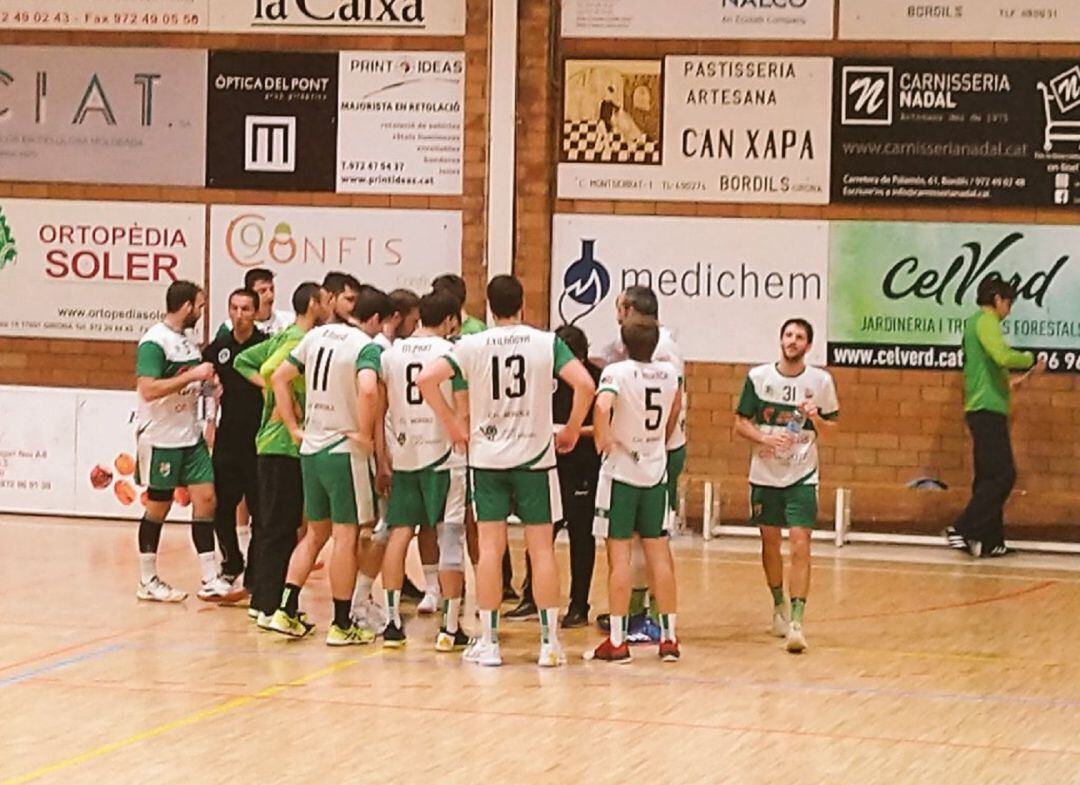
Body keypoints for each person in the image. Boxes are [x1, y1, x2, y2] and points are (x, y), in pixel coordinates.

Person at [418, 275, 596, 667]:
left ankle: (491, 643)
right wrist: (570, 430)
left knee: (491, 550)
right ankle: (550, 644)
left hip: (488, 458)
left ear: (487, 305)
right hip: (535, 457)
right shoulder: (546, 342)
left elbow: (426, 379)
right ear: (523, 304)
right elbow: (585, 384)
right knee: (542, 549)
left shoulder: (471, 343)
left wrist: (451, 423)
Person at [267, 284, 386, 646]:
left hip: (312, 448)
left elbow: (278, 377)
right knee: (346, 537)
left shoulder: (316, 337)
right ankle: (340, 622)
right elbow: (368, 389)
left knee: (316, 534)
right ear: (375, 318)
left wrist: (292, 427)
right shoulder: (364, 347)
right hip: (342, 451)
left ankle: (284, 610)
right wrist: (366, 434)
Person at [734, 318, 839, 654]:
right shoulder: (758, 378)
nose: (793, 341)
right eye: (788, 335)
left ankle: (797, 621)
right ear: (781, 340)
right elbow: (740, 422)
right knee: (769, 542)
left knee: (800, 544)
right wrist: (764, 437)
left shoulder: (820, 382)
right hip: (764, 473)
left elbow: (833, 429)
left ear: (808, 346)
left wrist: (816, 418)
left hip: (802, 474)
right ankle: (778, 603)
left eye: (800, 337)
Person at [378, 290, 470, 651]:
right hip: (445, 454)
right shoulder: (452, 353)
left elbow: (383, 405)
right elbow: (463, 407)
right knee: (450, 535)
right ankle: (449, 627)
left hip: (404, 451)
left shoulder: (392, 352)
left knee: (399, 532)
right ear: (449, 320)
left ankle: (391, 622)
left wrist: (382, 454)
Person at [134, 281, 237, 603]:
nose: (202, 312)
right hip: (161, 436)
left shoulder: (188, 343)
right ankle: (148, 579)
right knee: (158, 508)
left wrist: (209, 388)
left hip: (189, 434)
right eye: (200, 306)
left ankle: (210, 577)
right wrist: (192, 376)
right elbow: (148, 389)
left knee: (207, 498)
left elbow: (195, 384)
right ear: (186, 306)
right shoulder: (154, 342)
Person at [594, 285, 686, 642]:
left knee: (619, 554)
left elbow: (603, 407)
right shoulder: (665, 370)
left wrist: (604, 437)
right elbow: (676, 402)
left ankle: (619, 636)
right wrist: (658, 438)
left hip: (623, 470)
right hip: (654, 464)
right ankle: (669, 635)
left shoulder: (617, 372)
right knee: (658, 550)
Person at [234, 281, 325, 625]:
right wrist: (285, 405)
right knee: (279, 527)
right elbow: (273, 371)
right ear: (315, 304)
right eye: (327, 300)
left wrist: (271, 391)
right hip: (283, 444)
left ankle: (263, 597)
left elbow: (245, 361)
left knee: (276, 525)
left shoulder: (285, 335)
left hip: (276, 444)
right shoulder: (297, 341)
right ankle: (268, 603)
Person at [506, 324, 601, 628]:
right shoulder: (543, 378)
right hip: (548, 465)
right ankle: (532, 598)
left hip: (584, 465)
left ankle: (578, 605)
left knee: (581, 539)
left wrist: (571, 431)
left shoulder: (596, 380)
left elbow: (606, 425)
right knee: (539, 533)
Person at [432, 272, 518, 601]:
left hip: (483, 433)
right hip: (464, 435)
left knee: (480, 521)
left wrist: (461, 422)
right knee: (466, 519)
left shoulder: (474, 335)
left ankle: (498, 583)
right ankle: (465, 589)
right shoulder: (461, 336)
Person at [945, 278, 1045, 558]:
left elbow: (991, 371)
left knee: (988, 476)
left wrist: (1019, 381)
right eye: (1009, 303)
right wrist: (1029, 357)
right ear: (997, 299)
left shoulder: (974, 324)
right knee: (1004, 474)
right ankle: (962, 528)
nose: (1009, 310)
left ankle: (991, 540)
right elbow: (1002, 356)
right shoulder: (986, 321)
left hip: (985, 406)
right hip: (986, 409)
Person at [203, 288, 267, 598]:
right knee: (221, 506)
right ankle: (231, 563)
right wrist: (209, 423)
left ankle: (255, 574)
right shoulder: (218, 348)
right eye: (234, 307)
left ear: (256, 312)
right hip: (228, 439)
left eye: (245, 309)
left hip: (259, 441)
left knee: (260, 511)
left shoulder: (265, 346)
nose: (239, 314)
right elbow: (205, 388)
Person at [216, 268, 291, 338]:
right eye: (263, 291)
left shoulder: (289, 322)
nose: (270, 296)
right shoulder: (229, 328)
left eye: (271, 289)